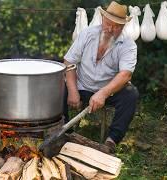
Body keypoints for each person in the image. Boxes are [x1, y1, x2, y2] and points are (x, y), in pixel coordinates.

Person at [63, 1, 139, 152]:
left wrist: (103, 93)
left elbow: (125, 74)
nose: (110, 29)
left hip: (108, 90)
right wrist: (72, 90)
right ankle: (64, 132)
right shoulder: (87, 34)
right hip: (82, 85)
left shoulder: (128, 45)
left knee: (131, 94)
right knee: (56, 85)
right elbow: (69, 62)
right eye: (108, 24)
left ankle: (111, 141)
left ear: (123, 26)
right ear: (102, 19)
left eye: (116, 26)